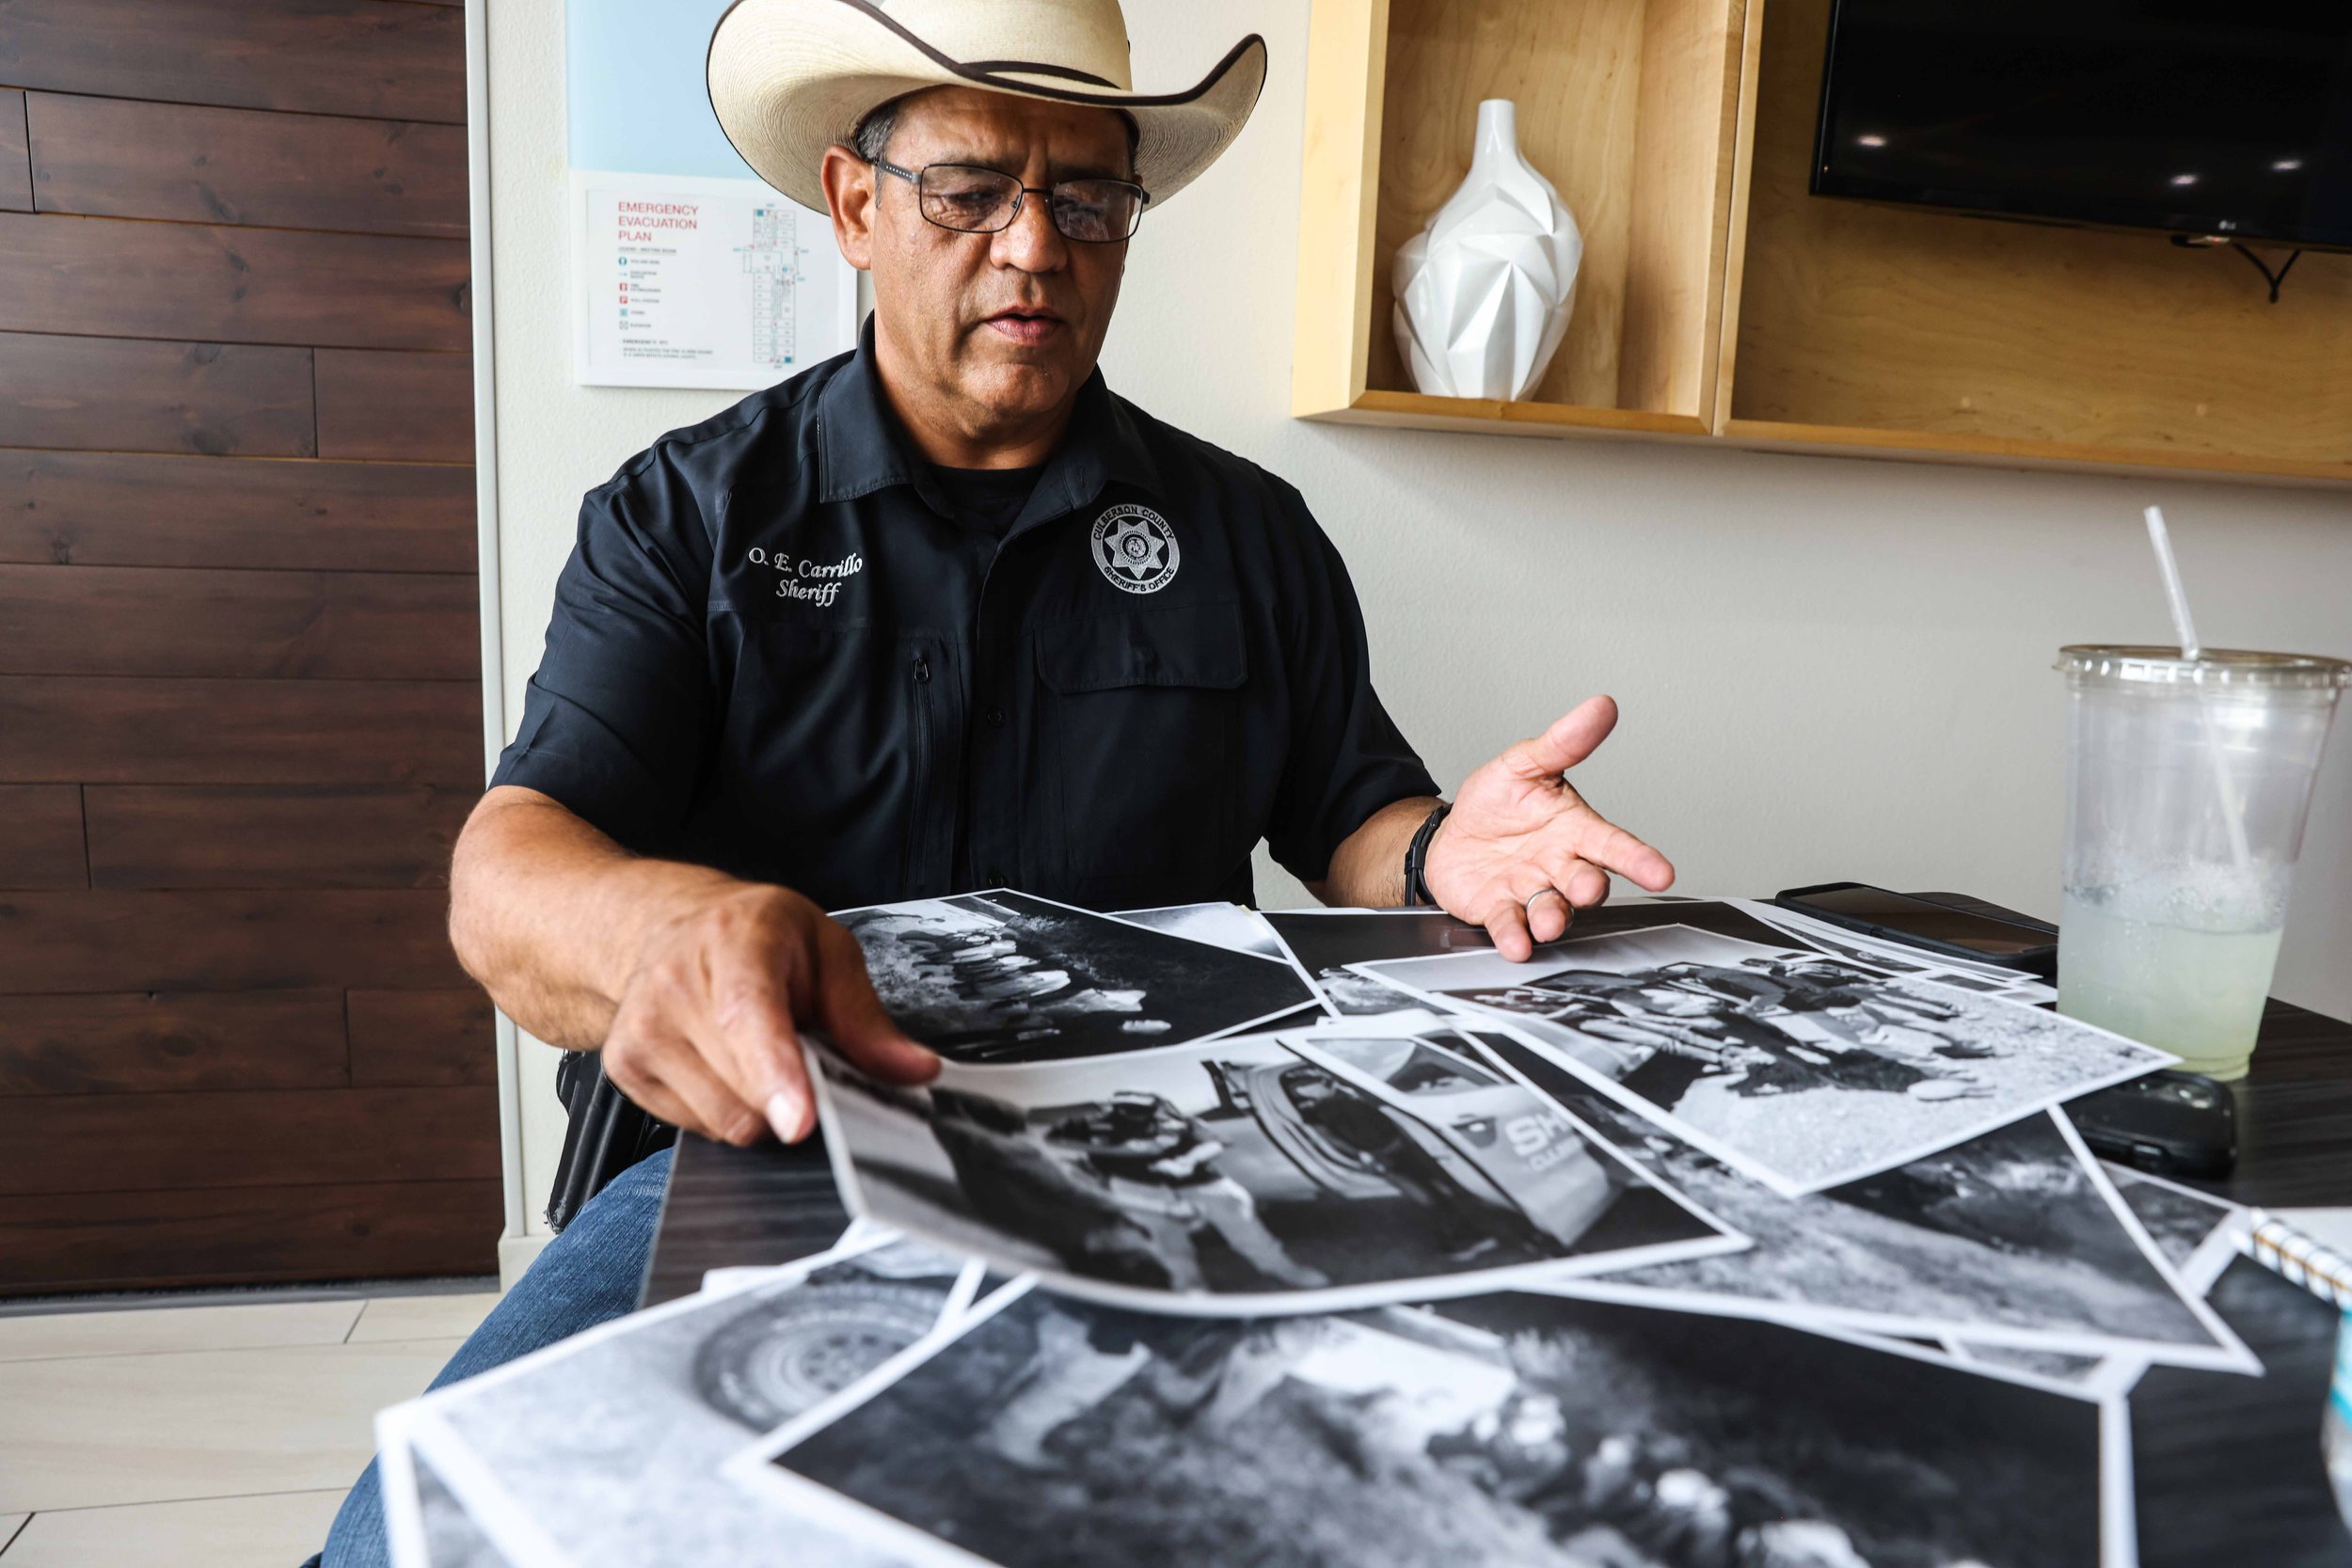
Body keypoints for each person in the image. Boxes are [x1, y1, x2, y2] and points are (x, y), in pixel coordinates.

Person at [311, 1, 1676, 1560]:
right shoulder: (682, 517)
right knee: (415, 1540)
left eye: (1088, 200)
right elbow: (512, 863)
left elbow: (1350, 817)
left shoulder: (1251, 532)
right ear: (854, 205)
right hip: (770, 1147)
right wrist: (659, 937)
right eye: (972, 192)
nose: (1036, 249)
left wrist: (1448, 855)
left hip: (1179, 1150)